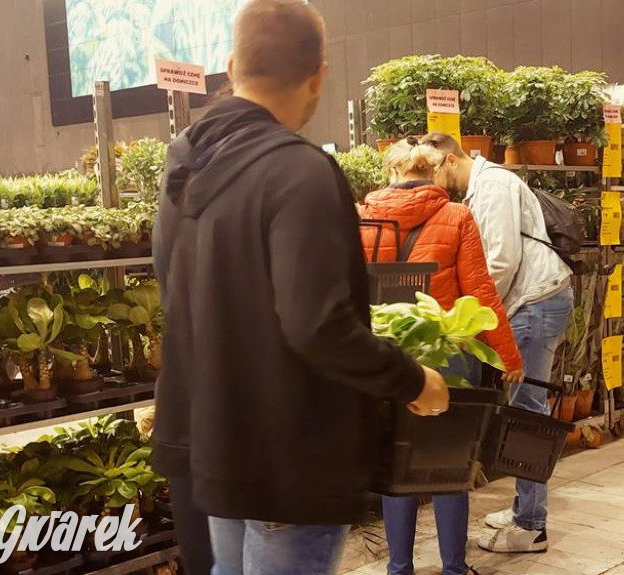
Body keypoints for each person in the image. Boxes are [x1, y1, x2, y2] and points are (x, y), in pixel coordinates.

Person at [151, 2, 449, 574]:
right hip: (291, 456)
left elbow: (175, 295)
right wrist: (414, 380)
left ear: (233, 63)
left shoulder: (185, 162)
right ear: (320, 73)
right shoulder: (300, 171)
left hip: (215, 442)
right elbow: (318, 325)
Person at [360, 137, 524, 575]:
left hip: (388, 353)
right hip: (449, 353)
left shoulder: (364, 218)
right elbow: (480, 291)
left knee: (397, 463)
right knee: (451, 463)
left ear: (393, 173)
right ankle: (454, 567)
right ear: (434, 174)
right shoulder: (456, 215)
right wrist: (507, 356)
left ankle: (399, 568)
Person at [421, 132, 574, 554]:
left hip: (534, 303)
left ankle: (531, 526)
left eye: (432, 169)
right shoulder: (481, 188)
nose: (431, 180)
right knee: (521, 408)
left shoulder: (492, 186)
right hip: (530, 302)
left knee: (528, 412)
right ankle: (525, 508)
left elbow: (500, 261)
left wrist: (481, 322)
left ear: (449, 160)